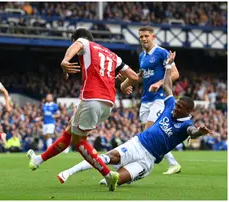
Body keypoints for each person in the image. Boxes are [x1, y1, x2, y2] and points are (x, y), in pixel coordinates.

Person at [57, 51, 212, 188]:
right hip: (137, 144)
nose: (175, 108)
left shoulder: (187, 125)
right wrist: (168, 66)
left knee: (113, 181)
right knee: (107, 157)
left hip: (148, 160)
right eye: (176, 105)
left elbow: (193, 132)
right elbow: (167, 87)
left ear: (188, 111)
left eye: (179, 108)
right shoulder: (171, 104)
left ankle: (127, 175)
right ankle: (68, 172)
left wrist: (199, 131)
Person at [26, 28, 139, 191]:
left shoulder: (85, 42)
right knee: (70, 130)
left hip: (92, 98)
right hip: (108, 103)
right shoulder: (113, 55)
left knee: (79, 142)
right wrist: (123, 85)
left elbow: (78, 45)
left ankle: (109, 175)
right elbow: (134, 76)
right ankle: (39, 160)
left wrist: (65, 60)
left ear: (75, 40)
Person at [119, 25, 181, 174]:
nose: (144, 39)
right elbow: (141, 77)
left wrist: (159, 84)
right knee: (149, 136)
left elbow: (175, 74)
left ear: (153, 37)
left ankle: (140, 168)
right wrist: (125, 82)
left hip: (159, 98)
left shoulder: (161, 53)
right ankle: (173, 163)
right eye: (141, 36)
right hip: (146, 99)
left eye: (146, 36)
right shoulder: (142, 57)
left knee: (148, 133)